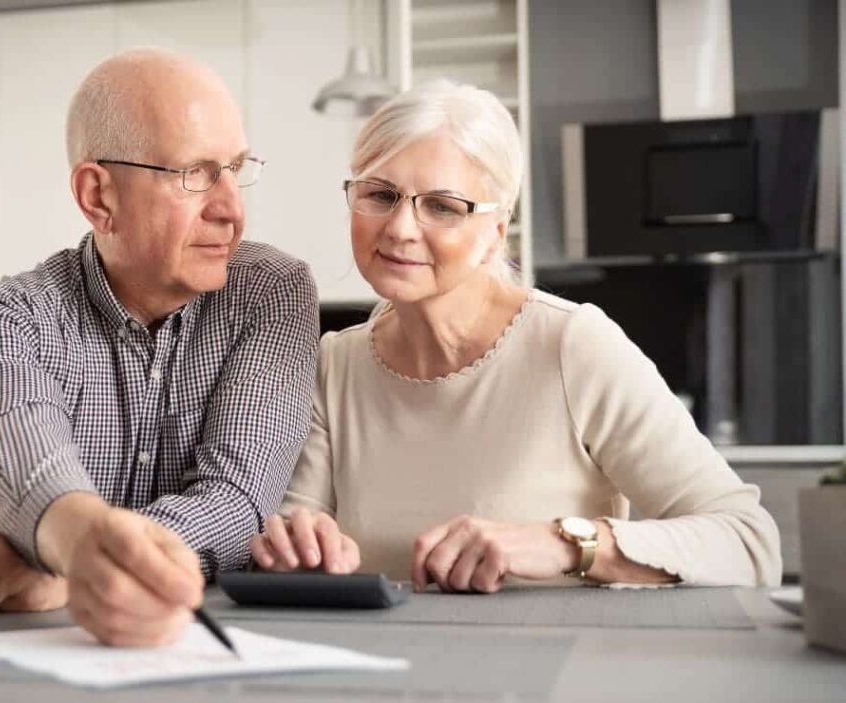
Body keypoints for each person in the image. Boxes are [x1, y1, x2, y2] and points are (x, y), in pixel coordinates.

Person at [251, 81, 782, 591]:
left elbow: (749, 542)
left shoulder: (573, 346)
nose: (400, 228)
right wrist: (294, 549)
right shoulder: (333, 364)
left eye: (442, 206)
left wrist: (566, 544)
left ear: (496, 231)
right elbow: (295, 538)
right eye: (380, 194)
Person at [0, 49, 319, 645]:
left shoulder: (271, 291)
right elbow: (32, 467)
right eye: (195, 173)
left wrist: (62, 563)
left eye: (236, 169)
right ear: (98, 197)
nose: (232, 210)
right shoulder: (4, 320)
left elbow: (238, 503)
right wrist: (77, 544)